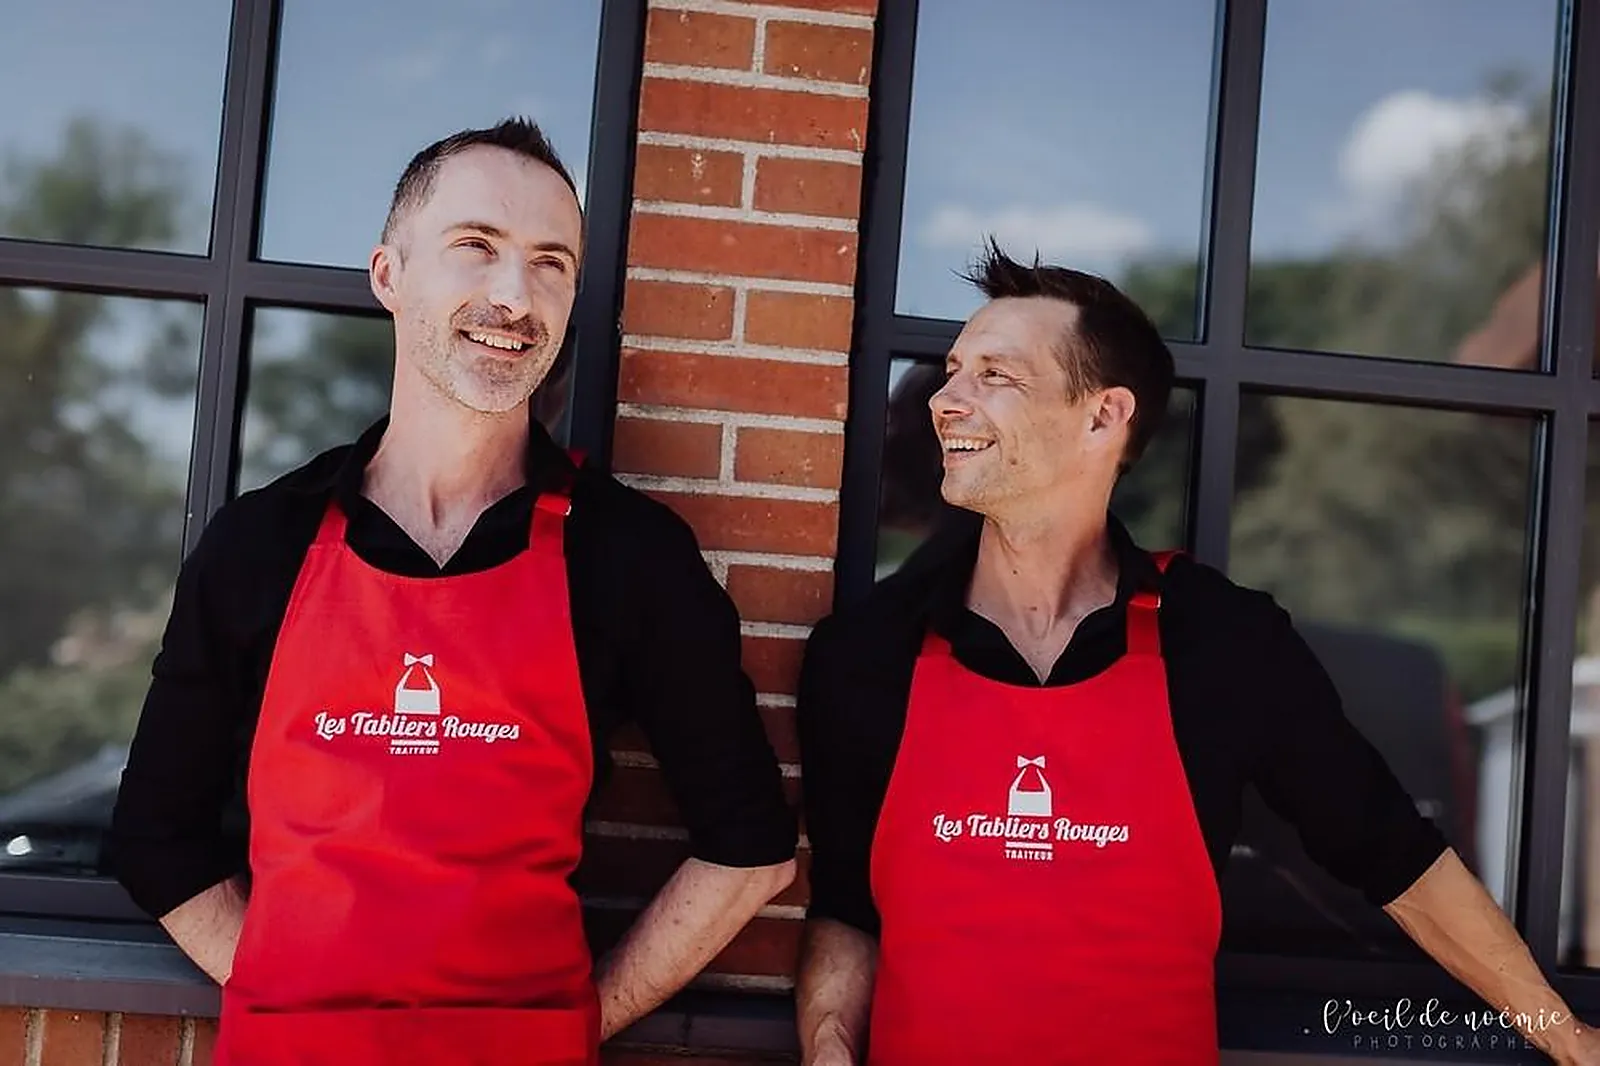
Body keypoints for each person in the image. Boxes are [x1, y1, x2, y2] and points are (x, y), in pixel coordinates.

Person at [793, 240, 1600, 1066]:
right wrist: (828, 1046)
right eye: (954, 371)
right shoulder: (869, 651)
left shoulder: (1222, 642)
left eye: (995, 376)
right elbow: (847, 906)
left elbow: (1395, 856)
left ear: (1103, 417)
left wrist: (1566, 1037)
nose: (945, 400)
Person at [108, 119, 797, 1066]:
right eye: (477, 245)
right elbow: (155, 839)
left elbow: (751, 847)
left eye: (550, 263)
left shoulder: (628, 556)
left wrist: (570, 1023)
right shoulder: (261, 543)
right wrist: (300, 1001)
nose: (515, 296)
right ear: (389, 275)